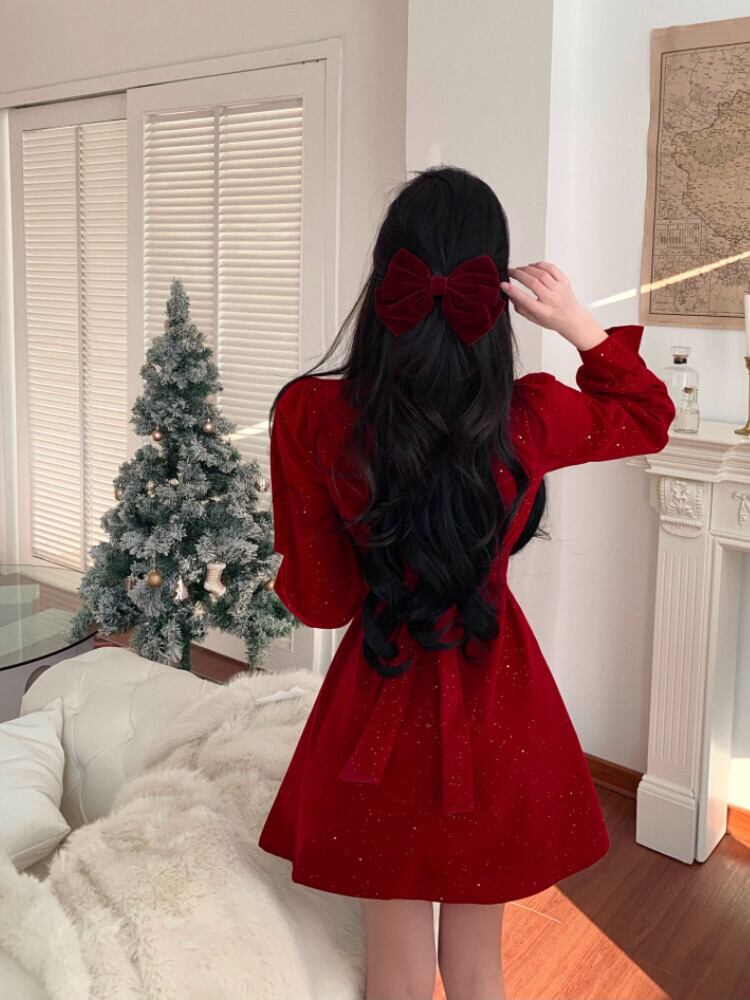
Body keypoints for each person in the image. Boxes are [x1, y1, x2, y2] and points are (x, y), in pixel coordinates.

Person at [257, 165, 676, 1000]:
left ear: (387, 277)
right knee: (480, 968)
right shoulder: (530, 414)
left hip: (377, 707)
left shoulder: (313, 414)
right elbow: (648, 417)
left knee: (397, 971)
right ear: (499, 293)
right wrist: (579, 325)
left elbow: (324, 603)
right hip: (498, 706)